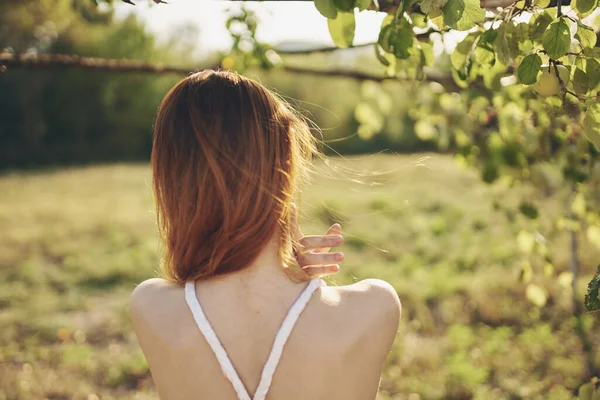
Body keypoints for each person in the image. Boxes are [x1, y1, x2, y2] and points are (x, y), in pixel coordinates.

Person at [130, 70, 401, 400]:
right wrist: (293, 272)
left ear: (173, 184)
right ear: (283, 171)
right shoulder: (374, 308)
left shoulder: (151, 307)